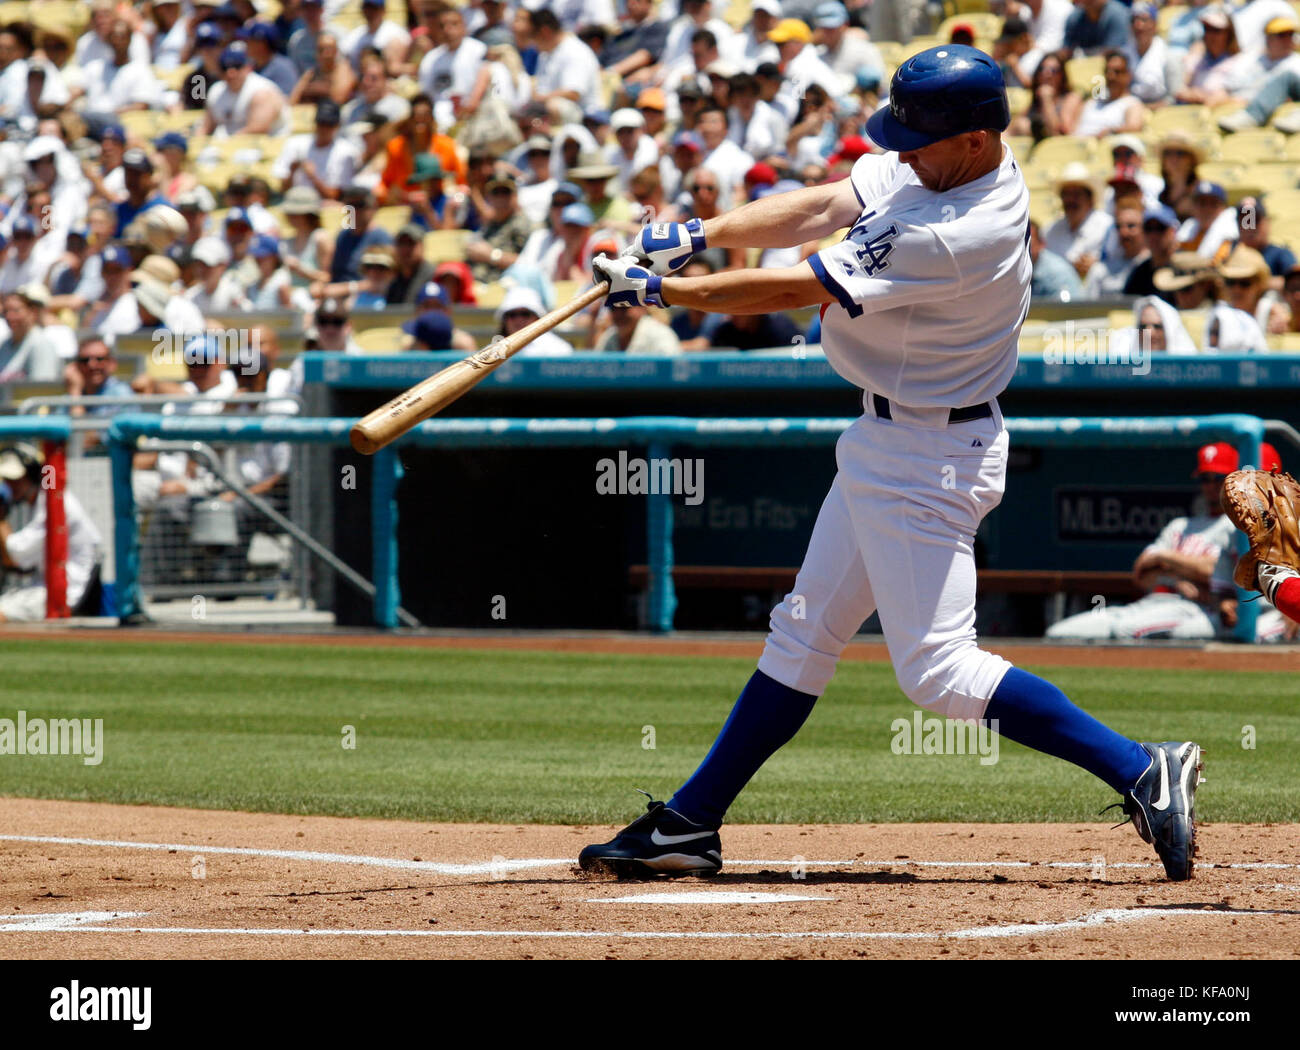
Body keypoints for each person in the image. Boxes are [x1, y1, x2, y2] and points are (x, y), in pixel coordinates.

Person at [585, 45, 1204, 883]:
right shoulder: (947, 165)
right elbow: (824, 203)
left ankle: (1139, 767)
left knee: (940, 671)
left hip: (930, 457)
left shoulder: (958, 229)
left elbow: (788, 289)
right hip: (894, 442)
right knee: (803, 633)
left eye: (921, 138)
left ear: (978, 139)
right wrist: (692, 234)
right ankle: (691, 823)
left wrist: (663, 292)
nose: (903, 150)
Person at [1047, 443, 1286, 642]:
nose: (1212, 485)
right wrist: (1189, 580)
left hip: (1224, 609)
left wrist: (1166, 560)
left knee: (1132, 631)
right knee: (1058, 634)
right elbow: (1142, 573)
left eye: (1218, 478)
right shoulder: (1184, 526)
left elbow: (1209, 572)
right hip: (1157, 602)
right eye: (1205, 478)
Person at [0, 444, 102, 621]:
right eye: (6, 480)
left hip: (65, 593)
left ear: (31, 475)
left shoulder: (51, 503)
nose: (10, 485)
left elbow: (15, 554)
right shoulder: (45, 500)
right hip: (47, 587)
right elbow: (20, 564)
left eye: (16, 479)